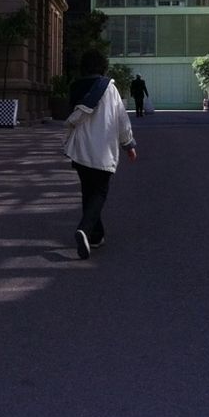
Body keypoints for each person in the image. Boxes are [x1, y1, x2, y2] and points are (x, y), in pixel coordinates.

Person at [63, 49, 138, 259]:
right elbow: (121, 119)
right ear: (103, 66)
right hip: (102, 148)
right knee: (99, 192)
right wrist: (128, 144)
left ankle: (96, 236)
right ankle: (85, 229)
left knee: (88, 191)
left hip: (80, 149)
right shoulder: (109, 88)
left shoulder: (75, 87)